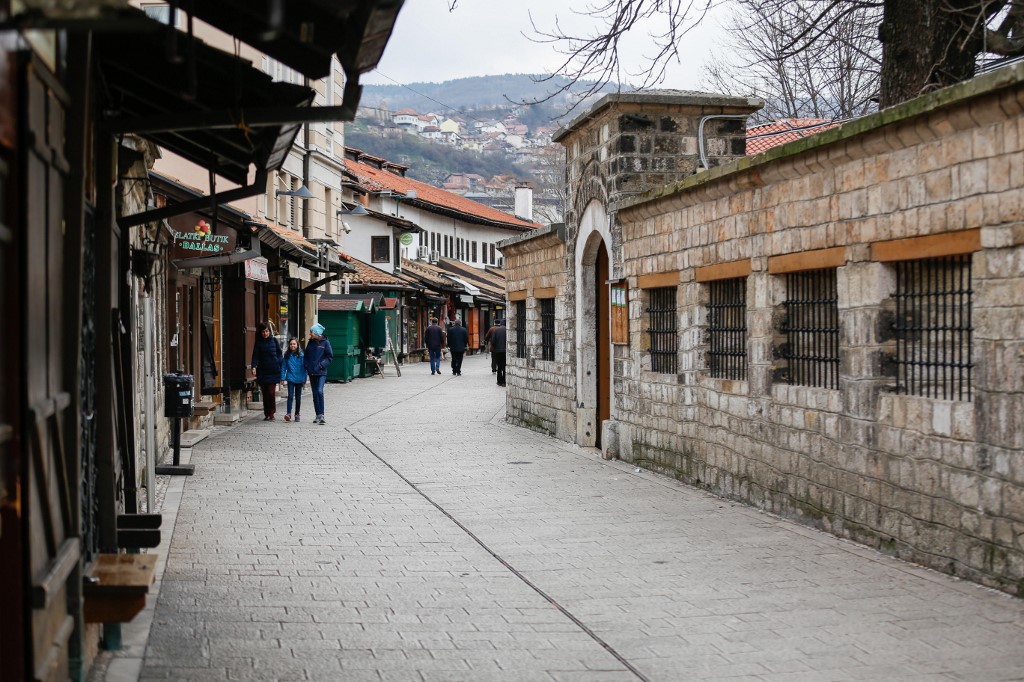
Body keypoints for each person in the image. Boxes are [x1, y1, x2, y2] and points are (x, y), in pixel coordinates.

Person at [250, 322, 283, 420]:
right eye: (263, 332)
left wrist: (279, 362)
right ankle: (266, 413)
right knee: (265, 393)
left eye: (267, 331)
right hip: (263, 371)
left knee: (271, 393)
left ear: (269, 331)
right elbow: (255, 356)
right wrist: (253, 367)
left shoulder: (274, 341)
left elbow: (280, 354)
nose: (265, 333)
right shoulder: (259, 342)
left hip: (273, 370)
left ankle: (272, 412)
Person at [304, 323, 333, 424]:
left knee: (320, 391)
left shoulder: (325, 343)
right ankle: (317, 415)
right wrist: (307, 366)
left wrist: (322, 365)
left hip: (321, 372)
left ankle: (322, 415)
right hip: (312, 372)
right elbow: (306, 356)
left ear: (316, 333)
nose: (310, 333)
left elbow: (330, 357)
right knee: (315, 394)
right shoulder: (310, 343)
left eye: (311, 332)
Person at [280, 338, 307, 422]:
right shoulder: (287, 355)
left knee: (298, 397)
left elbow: (305, 368)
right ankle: (288, 413)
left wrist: (304, 379)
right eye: (291, 344)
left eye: (294, 344)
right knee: (290, 396)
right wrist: (282, 377)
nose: (292, 345)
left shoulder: (301, 355)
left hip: (299, 379)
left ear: (297, 345)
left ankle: (297, 414)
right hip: (290, 378)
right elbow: (283, 367)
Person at [485, 319, 508, 387]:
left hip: (497, 350)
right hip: (505, 351)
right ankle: (504, 381)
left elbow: (493, 341)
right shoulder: (507, 330)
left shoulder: (496, 330)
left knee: (499, 366)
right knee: (504, 366)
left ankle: (499, 381)